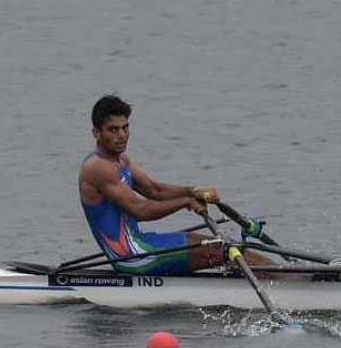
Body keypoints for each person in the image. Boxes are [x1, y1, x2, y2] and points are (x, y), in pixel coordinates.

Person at [79, 95, 262, 275]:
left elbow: (154, 190)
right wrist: (185, 202)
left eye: (125, 128)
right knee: (228, 250)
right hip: (134, 256)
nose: (122, 136)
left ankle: (248, 283)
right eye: (113, 130)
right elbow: (140, 210)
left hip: (143, 245)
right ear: (96, 132)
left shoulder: (121, 160)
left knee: (229, 250)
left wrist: (193, 191)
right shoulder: (97, 168)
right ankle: (285, 286)